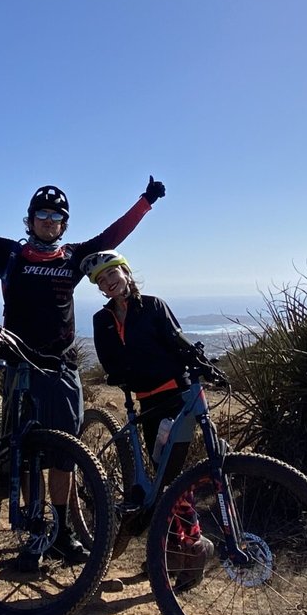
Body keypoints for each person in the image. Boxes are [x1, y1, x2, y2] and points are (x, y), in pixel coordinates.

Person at [0, 157, 164, 569]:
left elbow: (112, 235)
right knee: (25, 455)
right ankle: (35, 529)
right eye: (42, 215)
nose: (48, 221)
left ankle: (60, 530)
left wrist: (144, 203)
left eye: (56, 216)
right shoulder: (10, 254)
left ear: (64, 224)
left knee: (64, 454)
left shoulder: (73, 257)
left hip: (61, 366)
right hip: (20, 367)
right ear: (30, 219)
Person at [83, 249, 214, 588]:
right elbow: (109, 362)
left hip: (175, 396)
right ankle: (174, 550)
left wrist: (200, 362)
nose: (109, 282)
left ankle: (194, 548)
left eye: (113, 274)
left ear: (126, 272)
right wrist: (124, 374)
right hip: (145, 400)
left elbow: (177, 341)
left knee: (172, 476)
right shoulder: (101, 320)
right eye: (102, 280)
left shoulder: (154, 306)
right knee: (163, 478)